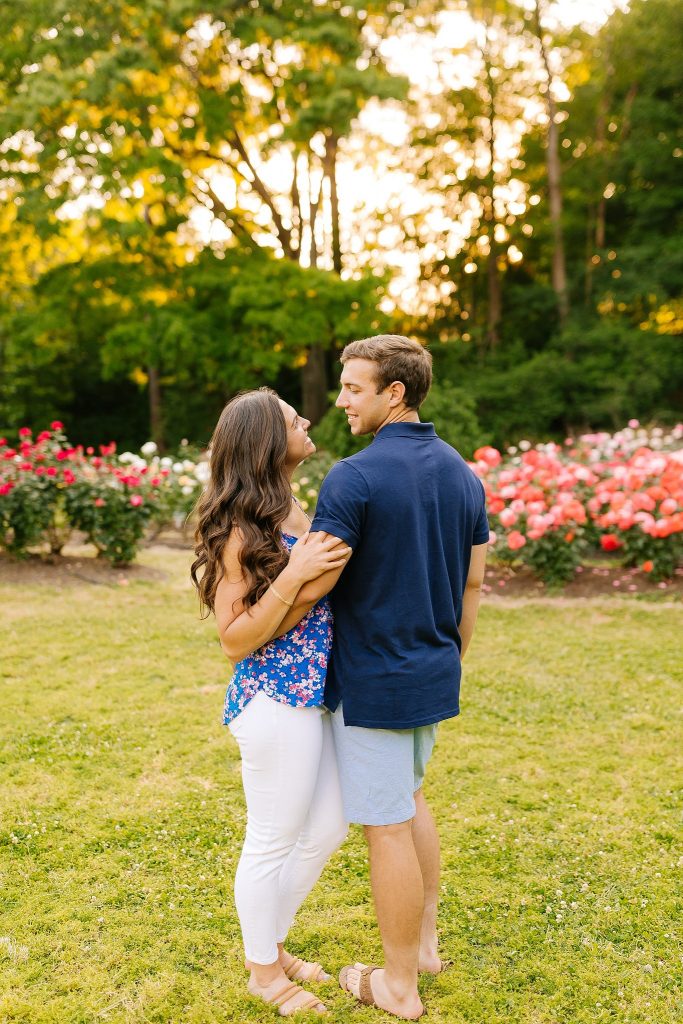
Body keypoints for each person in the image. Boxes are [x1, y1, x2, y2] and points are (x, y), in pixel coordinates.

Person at [278, 335, 489, 1019]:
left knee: (387, 826)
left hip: (376, 680)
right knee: (411, 798)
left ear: (393, 392)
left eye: (353, 388)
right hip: (432, 669)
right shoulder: (462, 473)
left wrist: (258, 624)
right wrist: (449, 658)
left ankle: (399, 985)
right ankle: (422, 946)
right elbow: (474, 583)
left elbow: (315, 580)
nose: (340, 401)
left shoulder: (354, 476)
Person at [190, 388, 351, 1017]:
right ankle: (263, 970)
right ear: (265, 441)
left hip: (317, 694)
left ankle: (269, 943)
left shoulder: (293, 511)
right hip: (275, 697)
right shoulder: (238, 529)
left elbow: (316, 598)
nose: (306, 419)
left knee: (331, 823)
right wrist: (296, 575)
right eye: (291, 418)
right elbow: (235, 639)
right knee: (273, 838)